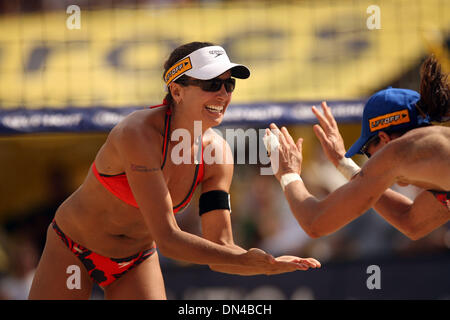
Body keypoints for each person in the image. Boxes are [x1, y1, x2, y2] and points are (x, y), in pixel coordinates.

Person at [29, 42, 320, 300]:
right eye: (211, 84)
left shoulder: (218, 154)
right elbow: (168, 239)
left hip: (135, 260)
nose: (223, 94)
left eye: (229, 85)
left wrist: (266, 265)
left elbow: (219, 250)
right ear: (177, 91)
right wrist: (250, 262)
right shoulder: (138, 133)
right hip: (74, 247)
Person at [265, 56, 449, 241]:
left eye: (368, 152)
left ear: (384, 139)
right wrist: (344, 164)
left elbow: (315, 223)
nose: (370, 162)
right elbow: (410, 222)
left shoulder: (397, 151)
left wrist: (288, 173)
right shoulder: (436, 160)